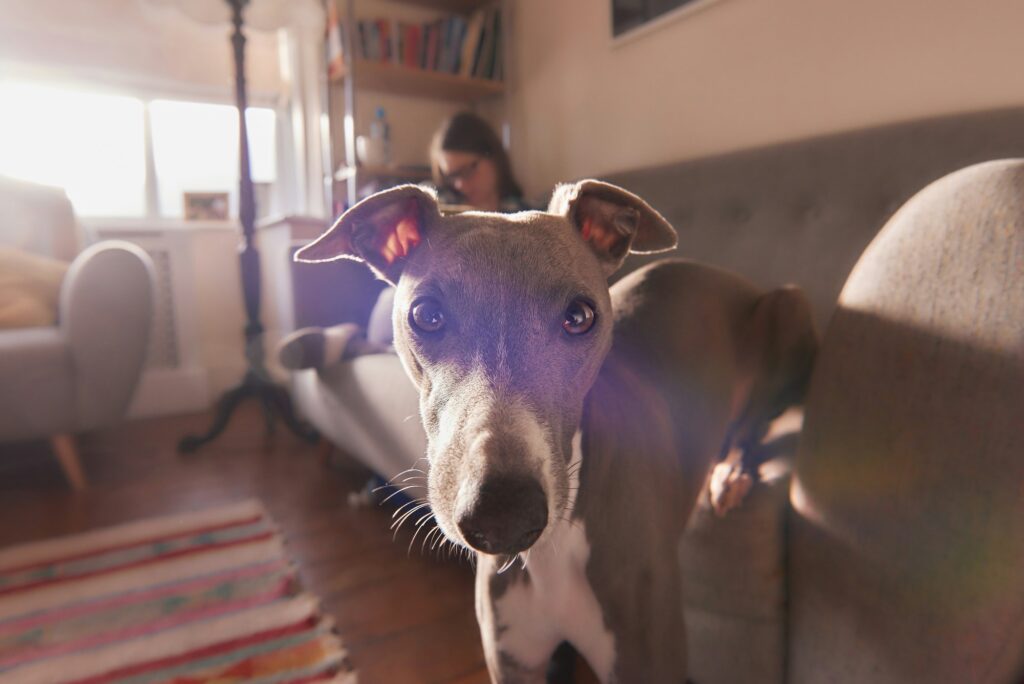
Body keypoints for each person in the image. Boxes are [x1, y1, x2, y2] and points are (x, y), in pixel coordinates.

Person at [430, 111, 531, 213]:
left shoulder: (524, 213)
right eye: (452, 176)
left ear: (493, 157)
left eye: (467, 170)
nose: (460, 185)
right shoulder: (440, 207)